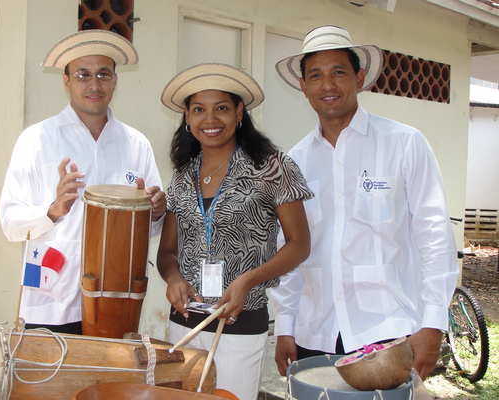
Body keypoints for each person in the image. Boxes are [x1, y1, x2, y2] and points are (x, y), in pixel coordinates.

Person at [270, 25, 460, 381]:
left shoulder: (404, 144)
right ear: (303, 86)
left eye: (338, 72)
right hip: (318, 333)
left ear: (358, 78)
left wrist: (434, 322)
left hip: (389, 332)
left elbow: (434, 236)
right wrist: (285, 325)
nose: (328, 85)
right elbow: (290, 251)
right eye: (316, 75)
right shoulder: (294, 163)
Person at [157, 63, 312, 400]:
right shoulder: (182, 176)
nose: (210, 120)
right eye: (199, 109)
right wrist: (173, 279)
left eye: (222, 108)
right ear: (187, 116)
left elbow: (299, 244)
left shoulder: (272, 167)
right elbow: (167, 252)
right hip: (184, 321)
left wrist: (247, 281)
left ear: (239, 111)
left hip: (239, 324)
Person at [0, 30, 166, 335]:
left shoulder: (136, 144)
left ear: (115, 80)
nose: (94, 84)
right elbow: (10, 223)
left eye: (103, 74)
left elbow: (151, 231)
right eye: (82, 75)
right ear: (66, 82)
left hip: (115, 300)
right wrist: (53, 210)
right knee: (48, 380)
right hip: (49, 299)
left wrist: (154, 212)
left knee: (104, 382)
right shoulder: (37, 140)